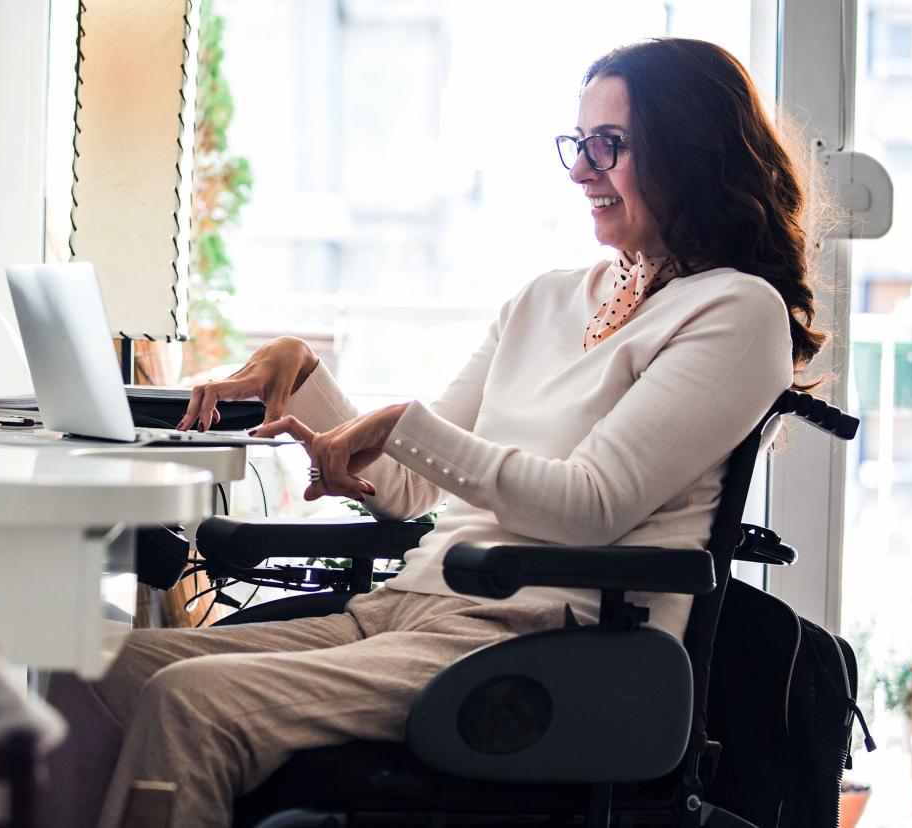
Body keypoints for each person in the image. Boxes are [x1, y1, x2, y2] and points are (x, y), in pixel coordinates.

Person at [41, 37, 826, 828]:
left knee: (190, 705)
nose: (582, 169)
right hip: (410, 608)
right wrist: (303, 378)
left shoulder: (735, 312)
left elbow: (591, 506)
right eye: (577, 144)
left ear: (689, 149)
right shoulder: (545, 300)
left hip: (538, 638)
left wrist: (399, 423)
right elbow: (410, 485)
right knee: (89, 673)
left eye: (608, 146)